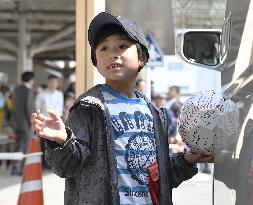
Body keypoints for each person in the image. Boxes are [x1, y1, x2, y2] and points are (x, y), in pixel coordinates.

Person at [31, 12, 213, 205]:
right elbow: (67, 166)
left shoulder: (153, 113)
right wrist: (63, 141)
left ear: (141, 57)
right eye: (103, 48)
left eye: (122, 46)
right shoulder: (88, 108)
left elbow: (160, 178)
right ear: (96, 61)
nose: (112, 53)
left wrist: (187, 160)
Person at [11, 71, 35, 175]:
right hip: (25, 124)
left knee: (17, 145)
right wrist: (32, 122)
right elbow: (28, 108)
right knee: (25, 147)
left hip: (16, 122)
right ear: (31, 80)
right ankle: (22, 170)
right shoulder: (28, 91)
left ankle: (15, 168)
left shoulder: (16, 89)